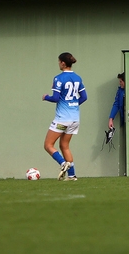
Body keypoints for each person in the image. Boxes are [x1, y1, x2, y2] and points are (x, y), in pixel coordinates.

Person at [42, 52, 86, 181]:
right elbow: (84, 97)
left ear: (62, 63)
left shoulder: (58, 78)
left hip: (62, 119)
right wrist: (73, 105)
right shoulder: (78, 78)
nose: (58, 64)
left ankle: (63, 163)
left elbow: (55, 98)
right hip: (75, 119)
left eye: (58, 62)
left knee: (48, 145)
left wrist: (46, 97)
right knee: (64, 145)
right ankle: (72, 175)